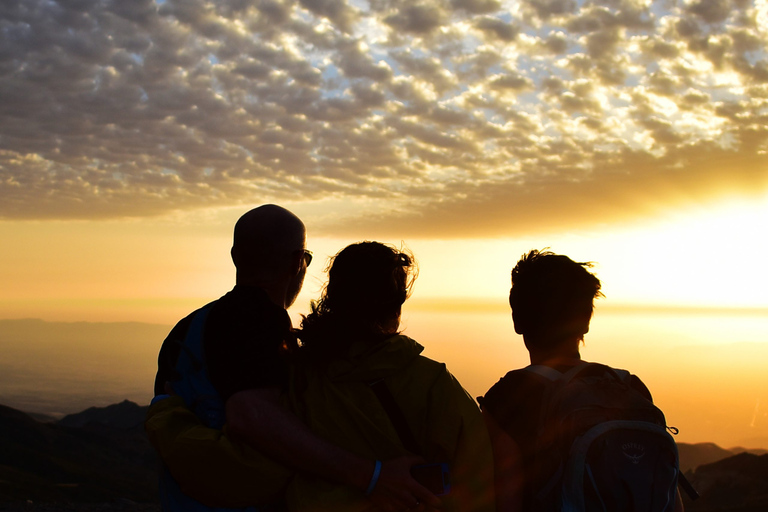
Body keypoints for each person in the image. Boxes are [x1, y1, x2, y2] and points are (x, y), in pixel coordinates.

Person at [147, 241, 495, 512]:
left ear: (332, 297)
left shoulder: (298, 381)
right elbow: (482, 484)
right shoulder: (435, 385)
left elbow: (243, 471)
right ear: (397, 303)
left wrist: (167, 415)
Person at [479, 249, 684, 512]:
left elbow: (506, 503)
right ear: (586, 322)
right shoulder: (631, 388)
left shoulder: (507, 398)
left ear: (517, 321)